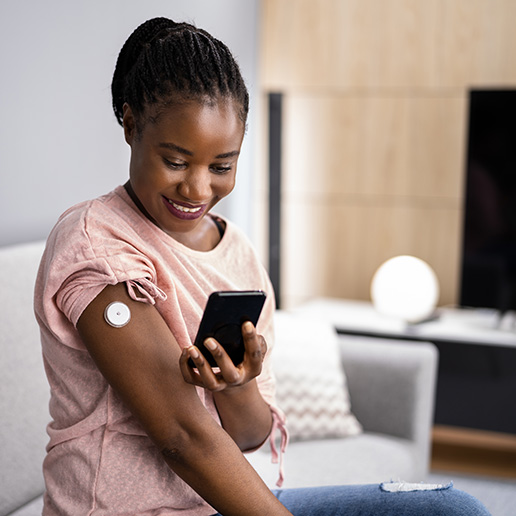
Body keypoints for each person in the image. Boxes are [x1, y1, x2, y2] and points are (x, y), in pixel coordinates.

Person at [34, 17, 491, 516]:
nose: (198, 189)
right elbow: (183, 436)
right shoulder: (95, 242)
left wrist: (237, 384)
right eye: (177, 161)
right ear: (130, 124)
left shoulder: (238, 252)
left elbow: (251, 437)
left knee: (454, 509)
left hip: (227, 504)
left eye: (221, 166)